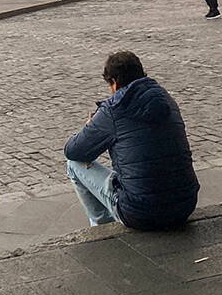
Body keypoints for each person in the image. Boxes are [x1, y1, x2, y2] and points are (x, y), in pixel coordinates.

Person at [63, 50, 199, 229]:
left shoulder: (114, 109)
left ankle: (102, 229)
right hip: (185, 204)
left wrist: (91, 126)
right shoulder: (167, 99)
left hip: (142, 213)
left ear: (114, 83)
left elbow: (74, 150)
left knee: (73, 165)